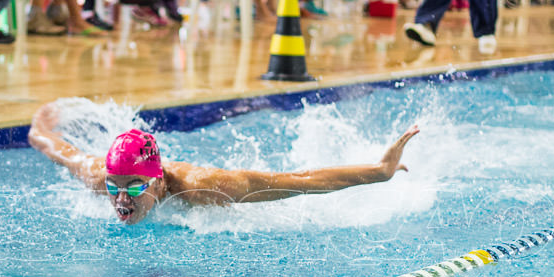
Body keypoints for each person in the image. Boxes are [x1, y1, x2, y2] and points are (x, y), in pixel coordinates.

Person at [28, 101, 421, 225]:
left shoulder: (208, 186)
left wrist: (378, 172)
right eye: (117, 186)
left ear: (159, 182)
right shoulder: (102, 178)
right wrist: (44, 119)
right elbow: (50, 144)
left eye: (135, 186)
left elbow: (300, 180)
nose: (120, 199)